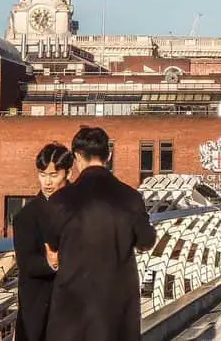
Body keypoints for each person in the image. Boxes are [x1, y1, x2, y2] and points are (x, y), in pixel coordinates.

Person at [42, 127, 157, 341]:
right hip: (117, 310)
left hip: (72, 311)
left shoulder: (60, 201)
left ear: (76, 157)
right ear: (109, 156)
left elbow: (52, 247)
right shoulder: (130, 198)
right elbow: (146, 241)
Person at [13, 143, 73, 341]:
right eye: (42, 174)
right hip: (40, 308)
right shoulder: (26, 216)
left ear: (68, 172)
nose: (47, 182)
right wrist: (52, 263)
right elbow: (26, 262)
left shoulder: (86, 209)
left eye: (54, 175)